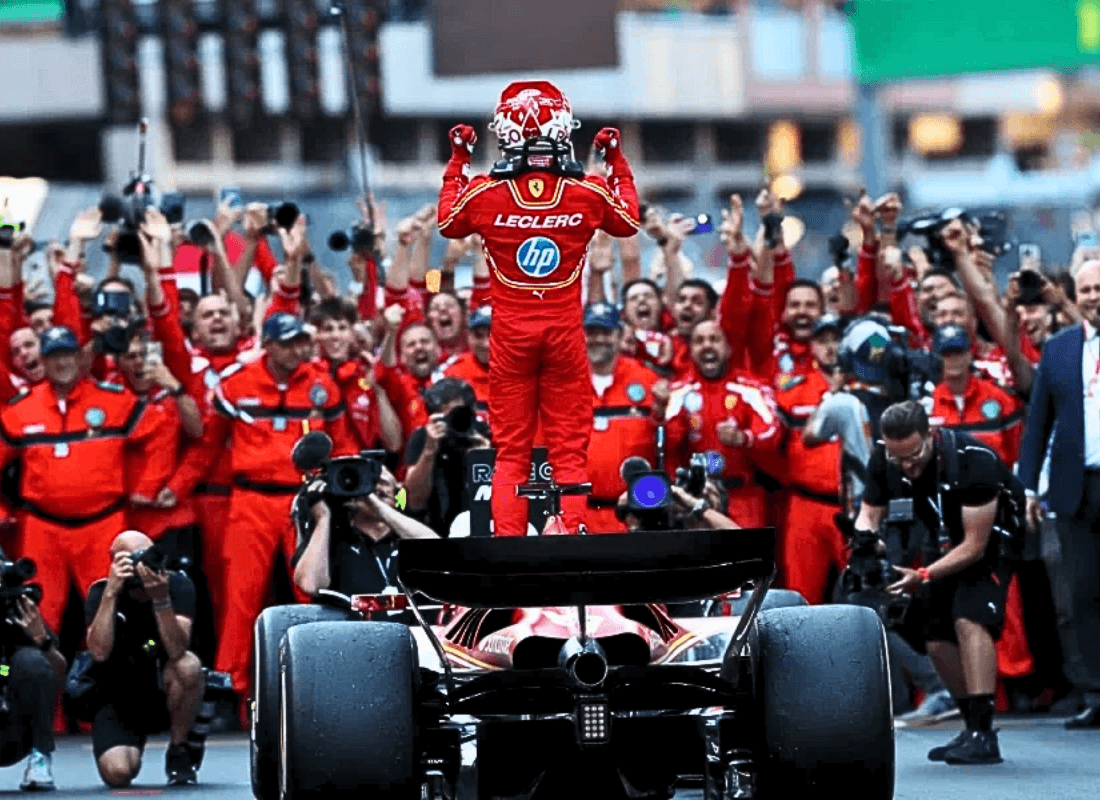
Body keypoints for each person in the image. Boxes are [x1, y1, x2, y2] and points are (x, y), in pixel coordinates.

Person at [438, 80, 641, 536]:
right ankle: (569, 535)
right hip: (565, 338)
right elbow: (628, 220)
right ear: (562, 130)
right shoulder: (587, 192)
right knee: (568, 451)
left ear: (507, 132)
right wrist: (616, 163)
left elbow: (448, 221)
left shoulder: (484, 194)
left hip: (510, 340)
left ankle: (511, 548)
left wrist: (458, 160)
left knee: (510, 451)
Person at [857, 401, 1009, 765]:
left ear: (931, 435)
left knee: (968, 617)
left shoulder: (974, 460)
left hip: (991, 536)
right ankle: (973, 728)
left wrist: (923, 575)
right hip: (940, 539)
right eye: (898, 460)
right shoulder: (885, 458)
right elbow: (869, 512)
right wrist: (863, 541)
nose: (907, 466)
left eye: (914, 455)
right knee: (936, 636)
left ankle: (985, 732)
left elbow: (974, 546)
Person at [0, 326, 172, 634]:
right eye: (54, 356)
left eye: (68, 355)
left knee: (111, 610)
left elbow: (162, 429)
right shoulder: (21, 410)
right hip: (42, 528)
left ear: (80, 358)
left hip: (103, 525)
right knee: (36, 612)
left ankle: (107, 680)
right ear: (44, 360)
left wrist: (147, 486)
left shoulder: (112, 400)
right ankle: (41, 678)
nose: (62, 363)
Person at [1018, 259, 1100, 728]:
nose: (1092, 296)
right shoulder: (1059, 350)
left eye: (1098, 287)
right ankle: (1096, 692)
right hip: (1075, 488)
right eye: (1085, 289)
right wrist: (1029, 484)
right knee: (1083, 593)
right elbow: (1038, 424)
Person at [85, 531, 205, 787]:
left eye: (148, 554)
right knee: (118, 773)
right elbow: (98, 652)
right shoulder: (100, 592)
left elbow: (177, 650)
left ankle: (179, 747)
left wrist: (161, 600)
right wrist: (111, 594)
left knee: (189, 665)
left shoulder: (177, 584)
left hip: (164, 687)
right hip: (120, 695)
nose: (144, 563)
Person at [580, 302, 664, 534]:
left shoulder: (648, 382)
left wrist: (663, 412)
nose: (598, 339)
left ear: (620, 336)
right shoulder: (564, 384)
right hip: (577, 513)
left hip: (635, 514)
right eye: (591, 333)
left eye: (606, 333)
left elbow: (672, 444)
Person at [292, 466, 438, 599]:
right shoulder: (331, 538)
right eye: (367, 481)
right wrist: (323, 518)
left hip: (412, 627)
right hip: (351, 626)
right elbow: (310, 585)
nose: (374, 488)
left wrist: (380, 509)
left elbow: (440, 552)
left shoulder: (410, 534)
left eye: (382, 482)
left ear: (397, 494)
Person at [0, 551, 65, 792]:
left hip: (13, 731)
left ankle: (40, 757)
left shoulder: (17, 610)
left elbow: (59, 674)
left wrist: (42, 640)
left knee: (32, 661)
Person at [404, 378, 491, 536]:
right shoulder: (423, 438)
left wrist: (485, 458)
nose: (453, 422)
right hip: (436, 535)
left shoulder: (484, 434)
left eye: (458, 414)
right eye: (447, 416)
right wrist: (429, 451)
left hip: (482, 532)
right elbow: (412, 501)